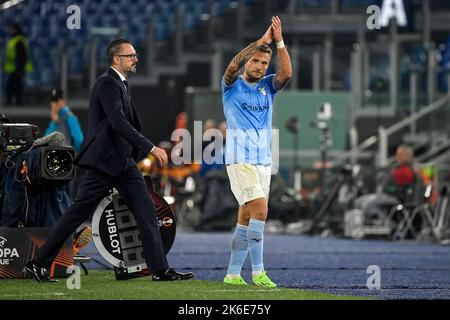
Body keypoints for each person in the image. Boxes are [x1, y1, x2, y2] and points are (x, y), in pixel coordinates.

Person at [24, 39, 194, 283]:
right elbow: (118, 123)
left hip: (123, 163)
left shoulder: (120, 84)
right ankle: (38, 264)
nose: (136, 59)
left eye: (135, 55)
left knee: (147, 212)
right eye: (131, 55)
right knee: (75, 215)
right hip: (103, 164)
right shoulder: (107, 84)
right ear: (117, 59)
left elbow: (122, 125)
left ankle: (159, 270)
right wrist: (150, 147)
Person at [222, 16, 292, 287]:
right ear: (248, 62)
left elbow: (286, 74)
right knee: (261, 211)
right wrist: (261, 43)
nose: (261, 66)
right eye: (256, 61)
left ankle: (232, 273)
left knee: (246, 216)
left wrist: (280, 42)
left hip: (263, 161)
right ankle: (259, 272)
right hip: (240, 160)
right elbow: (231, 67)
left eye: (264, 63)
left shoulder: (268, 87)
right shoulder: (231, 86)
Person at [4, 23, 33, 105]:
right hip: (14, 68)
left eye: (11, 29)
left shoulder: (18, 41)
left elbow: (21, 56)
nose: (9, 31)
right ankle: (15, 101)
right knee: (14, 86)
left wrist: (19, 68)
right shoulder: (16, 39)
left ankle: (15, 102)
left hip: (16, 68)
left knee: (14, 86)